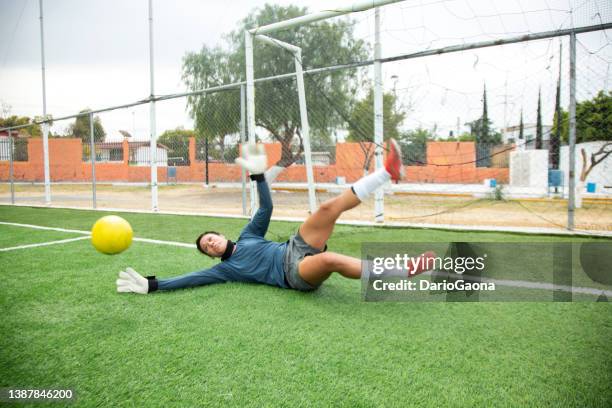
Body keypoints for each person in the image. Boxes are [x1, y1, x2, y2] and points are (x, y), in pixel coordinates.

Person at [116, 139, 430, 295]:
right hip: (294, 273)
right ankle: (403, 272)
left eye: (209, 239)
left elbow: (266, 209)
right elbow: (191, 279)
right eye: (206, 248)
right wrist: (153, 285)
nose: (210, 245)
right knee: (330, 259)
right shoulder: (228, 270)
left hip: (295, 246)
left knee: (325, 210)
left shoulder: (249, 235)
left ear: (220, 234)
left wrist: (258, 176)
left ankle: (388, 172)